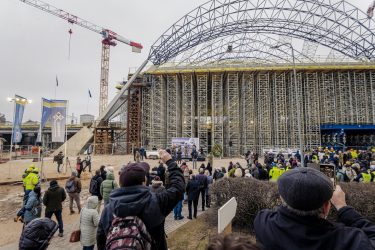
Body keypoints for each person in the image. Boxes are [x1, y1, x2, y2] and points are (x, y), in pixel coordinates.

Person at [254, 167, 375, 250]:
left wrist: (296, 189)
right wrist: (343, 207)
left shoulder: (263, 221)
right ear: (327, 207)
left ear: (281, 198)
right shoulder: (350, 240)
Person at [96, 150, 185, 250]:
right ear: (144, 182)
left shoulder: (108, 210)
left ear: (120, 183)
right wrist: (170, 162)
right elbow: (178, 187)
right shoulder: (156, 202)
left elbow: (101, 239)